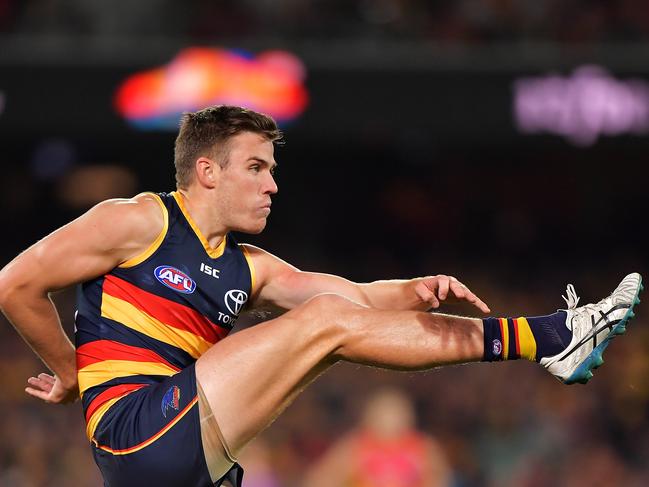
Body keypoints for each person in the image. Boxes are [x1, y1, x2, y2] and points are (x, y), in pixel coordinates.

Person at [0, 105, 642, 487]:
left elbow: (352, 297)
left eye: (273, 170)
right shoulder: (138, 220)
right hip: (137, 433)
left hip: (192, 457)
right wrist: (69, 369)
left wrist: (413, 290)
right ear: (207, 171)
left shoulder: (247, 267)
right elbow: (15, 285)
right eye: (257, 167)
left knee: (329, 333)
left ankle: (559, 340)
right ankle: (552, 336)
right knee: (325, 328)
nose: (272, 184)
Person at [304, 387, 451, 487]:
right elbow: (321, 478)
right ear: (369, 416)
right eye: (385, 413)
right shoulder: (356, 444)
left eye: (396, 413)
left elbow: (440, 477)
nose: (391, 420)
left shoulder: (423, 445)